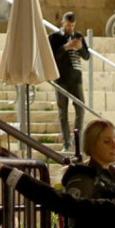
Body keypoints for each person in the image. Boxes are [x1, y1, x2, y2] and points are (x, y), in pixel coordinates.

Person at [48, 12, 91, 153]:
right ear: (62, 23)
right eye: (68, 25)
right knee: (63, 112)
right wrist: (66, 47)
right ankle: (66, 142)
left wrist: (80, 48)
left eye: (72, 25)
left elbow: (87, 56)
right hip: (61, 78)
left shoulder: (78, 36)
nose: (70, 28)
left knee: (80, 109)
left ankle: (76, 139)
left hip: (76, 78)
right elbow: (51, 57)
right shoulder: (54, 38)